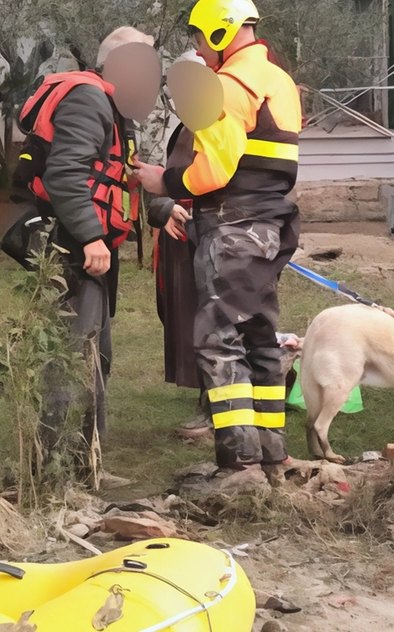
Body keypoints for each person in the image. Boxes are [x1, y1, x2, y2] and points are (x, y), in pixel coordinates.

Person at [133, 0, 303, 475]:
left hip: (233, 225)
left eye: (200, 39)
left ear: (220, 34)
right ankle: (273, 453)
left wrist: (162, 182)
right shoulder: (278, 80)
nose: (199, 50)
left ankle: (239, 462)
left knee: (218, 340)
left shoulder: (227, 88)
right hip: (270, 223)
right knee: (260, 336)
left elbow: (215, 170)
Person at [14, 26, 157, 463]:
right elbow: (64, 175)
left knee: (98, 354)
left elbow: (120, 174)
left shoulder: (114, 108)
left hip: (90, 247)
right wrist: (93, 236)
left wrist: (165, 210)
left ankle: (84, 458)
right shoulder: (89, 100)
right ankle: (52, 463)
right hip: (73, 246)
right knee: (72, 354)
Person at [148, 53, 210, 440]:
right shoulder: (186, 124)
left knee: (211, 318)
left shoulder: (218, 122)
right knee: (186, 317)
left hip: (205, 235)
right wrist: (162, 205)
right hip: (179, 238)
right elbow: (171, 178)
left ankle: (216, 407)